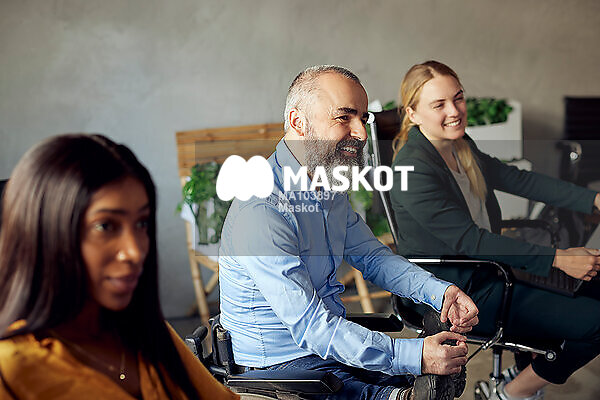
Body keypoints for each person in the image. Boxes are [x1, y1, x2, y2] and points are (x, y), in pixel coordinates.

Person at [218, 65, 479, 400]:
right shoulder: (262, 210)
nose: (361, 133)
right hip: (281, 367)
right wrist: (415, 356)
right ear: (298, 122)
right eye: (344, 117)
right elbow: (311, 327)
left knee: (415, 373)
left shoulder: (325, 185)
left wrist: (440, 293)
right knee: (399, 385)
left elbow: (373, 258)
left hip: (328, 349)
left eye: (363, 118)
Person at [390, 60, 600, 400]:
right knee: (596, 321)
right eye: (439, 104)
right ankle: (511, 392)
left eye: (458, 98)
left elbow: (518, 179)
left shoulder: (458, 144)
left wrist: (593, 200)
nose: (454, 111)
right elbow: (472, 241)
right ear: (413, 113)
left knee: (596, 282)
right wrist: (560, 258)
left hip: (492, 270)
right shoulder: (414, 169)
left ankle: (523, 371)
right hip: (457, 292)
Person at [0, 134, 238, 399]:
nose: (135, 251)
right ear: (45, 234)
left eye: (142, 223)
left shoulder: (147, 330)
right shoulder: (12, 369)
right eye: (106, 226)